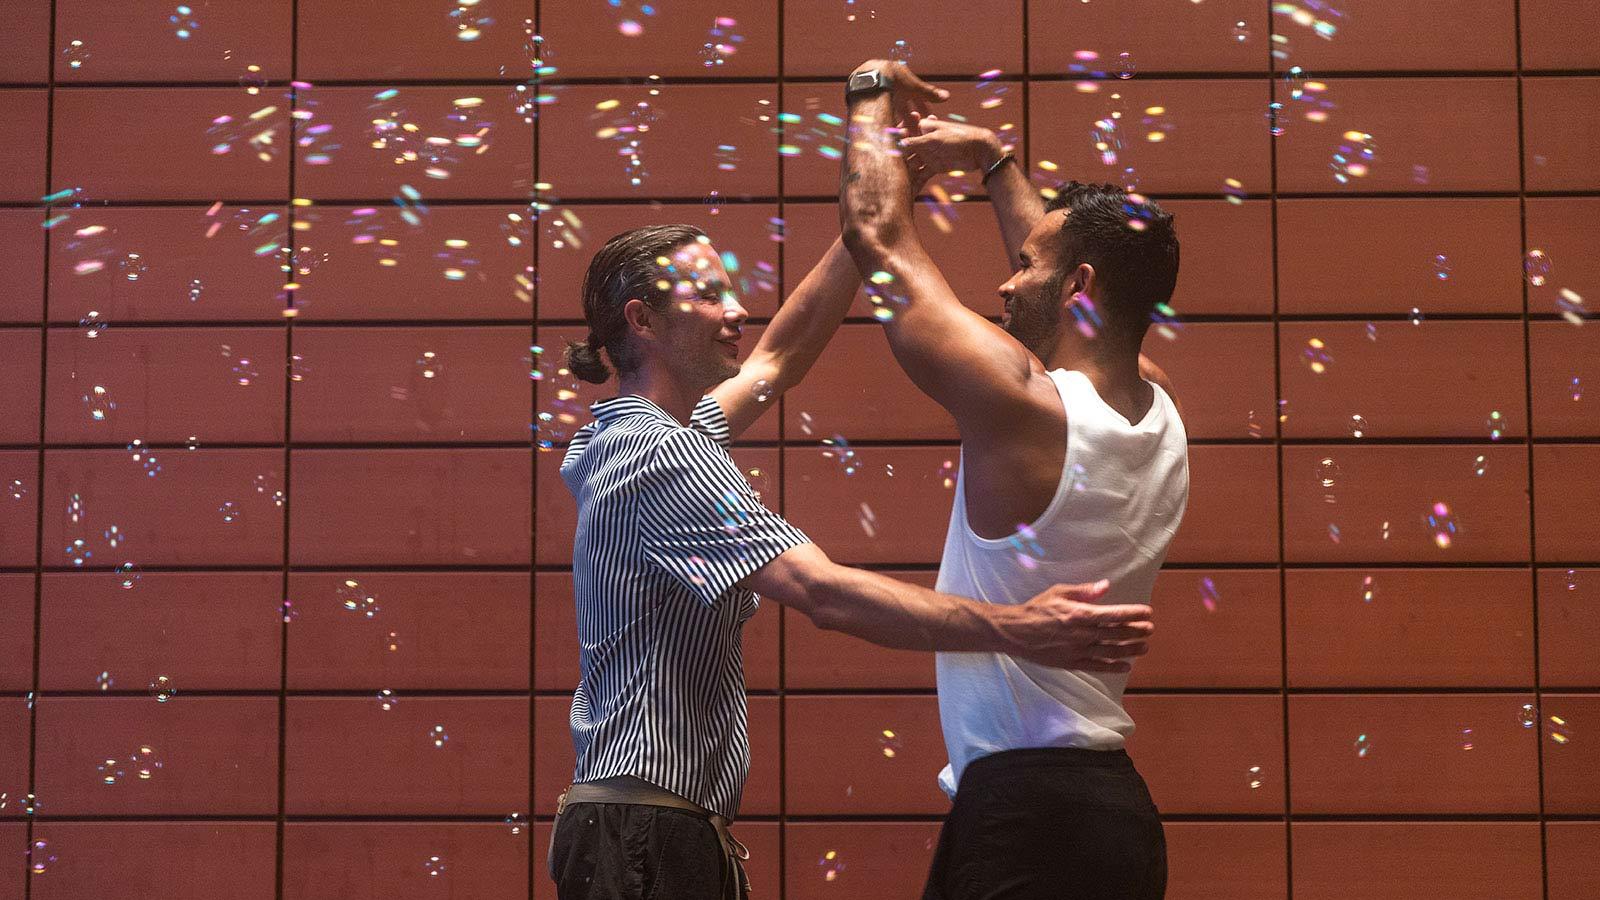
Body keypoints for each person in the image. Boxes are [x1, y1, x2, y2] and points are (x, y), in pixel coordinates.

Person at [547, 222, 1159, 899]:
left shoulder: (628, 438)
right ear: (643, 321)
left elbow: (776, 360)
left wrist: (868, 230)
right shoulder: (665, 455)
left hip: (639, 829)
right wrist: (1020, 628)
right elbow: (821, 591)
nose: (737, 310)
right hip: (645, 838)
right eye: (708, 294)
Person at [839, 60, 1190, 899]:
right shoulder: (1162, 410)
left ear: (1077, 287)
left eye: (1026, 264)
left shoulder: (1027, 407)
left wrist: (869, 87)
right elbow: (1079, 293)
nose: (1005, 279)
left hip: (1027, 817)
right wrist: (997, 164)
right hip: (1112, 813)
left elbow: (876, 237)